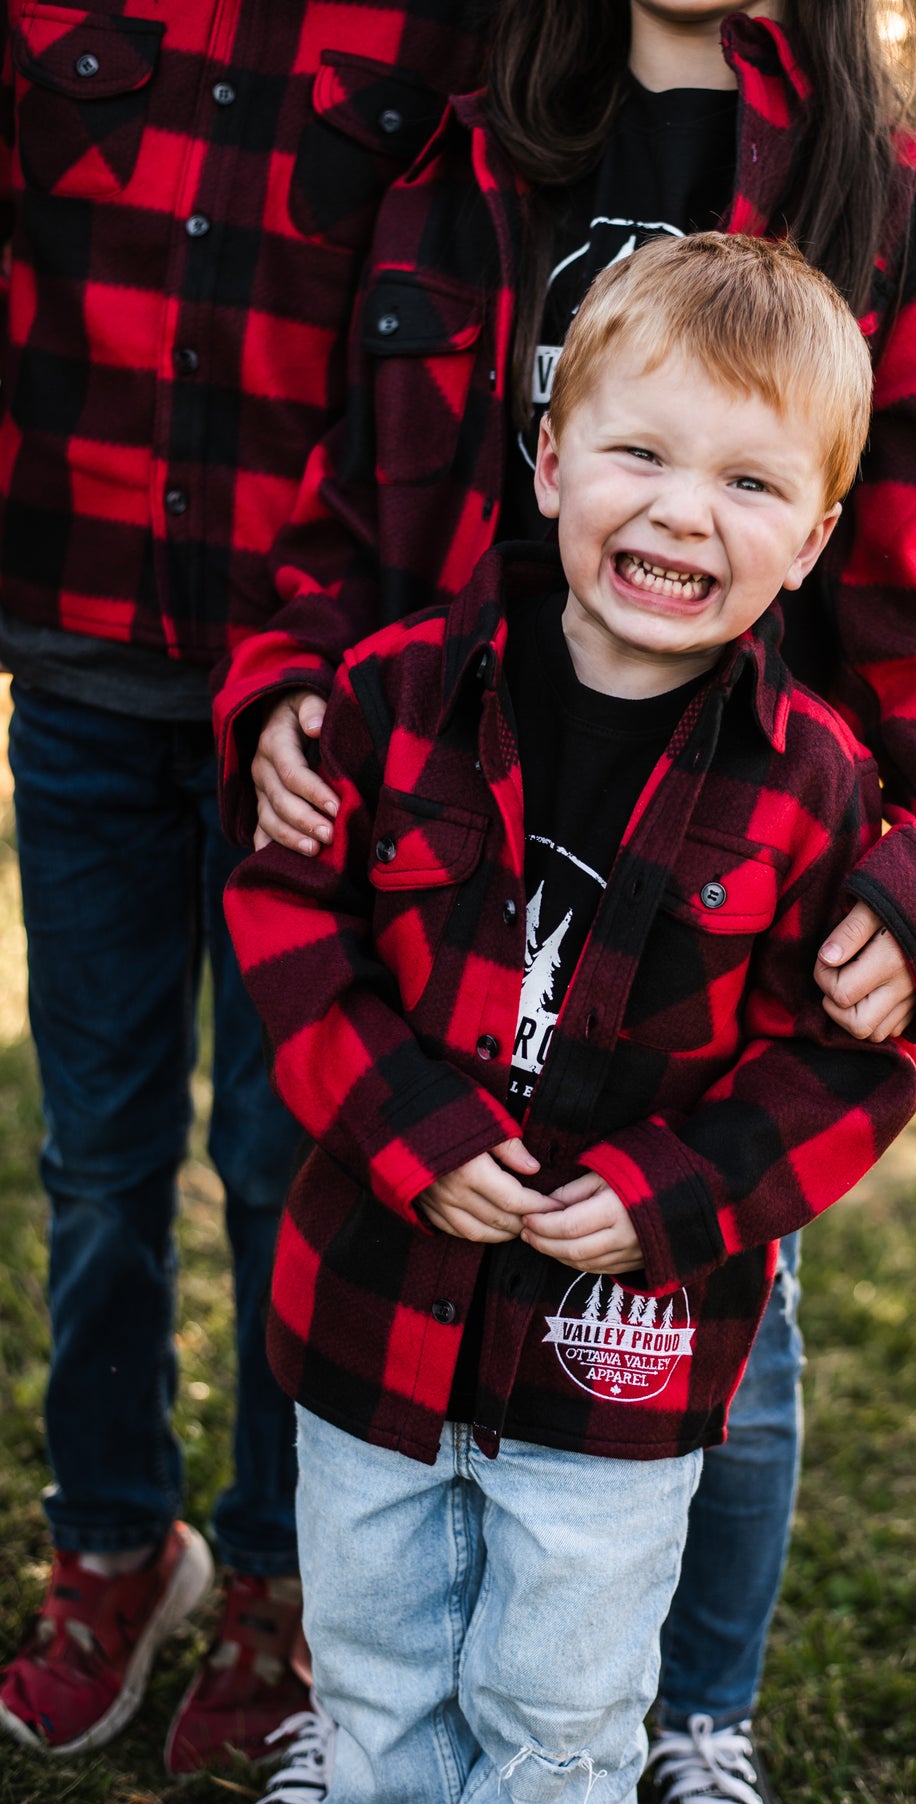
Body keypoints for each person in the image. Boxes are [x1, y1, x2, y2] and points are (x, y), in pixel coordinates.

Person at [214, 4, 916, 1797]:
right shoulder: (466, 148)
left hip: (726, 898)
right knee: (379, 1230)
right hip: (454, 813)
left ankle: (678, 1718)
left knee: (714, 1329)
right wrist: (291, 679)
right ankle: (365, 1709)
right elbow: (356, 497)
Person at [0, 1, 493, 1773]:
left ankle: (288, 1582)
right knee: (100, 1153)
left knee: (288, 1165)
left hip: (315, 706)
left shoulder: (451, 27)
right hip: (76, 667)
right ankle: (117, 1547)